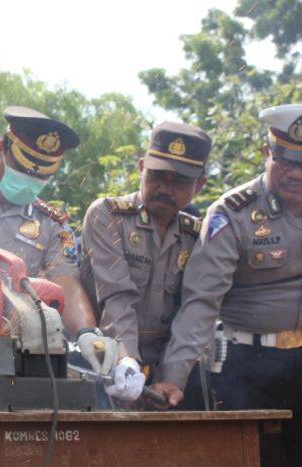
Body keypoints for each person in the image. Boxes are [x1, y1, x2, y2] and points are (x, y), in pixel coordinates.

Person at [0, 106, 139, 399]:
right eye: (23, 168)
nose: (30, 178)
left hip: (20, 355)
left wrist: (87, 334)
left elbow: (67, 285)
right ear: (0, 150)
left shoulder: (52, 225)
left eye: (41, 175)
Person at [153, 104, 302, 466]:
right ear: (267, 153)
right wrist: (173, 375)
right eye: (285, 161)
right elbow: (201, 303)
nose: (296, 173)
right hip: (248, 364)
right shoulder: (231, 214)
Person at [80, 122, 210, 404]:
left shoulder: (197, 236)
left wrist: (173, 379)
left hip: (163, 374)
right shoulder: (107, 216)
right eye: (157, 176)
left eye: (179, 182)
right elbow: (116, 297)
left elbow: (195, 311)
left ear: (199, 185)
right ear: (141, 167)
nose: (165, 188)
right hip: (101, 365)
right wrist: (127, 360)